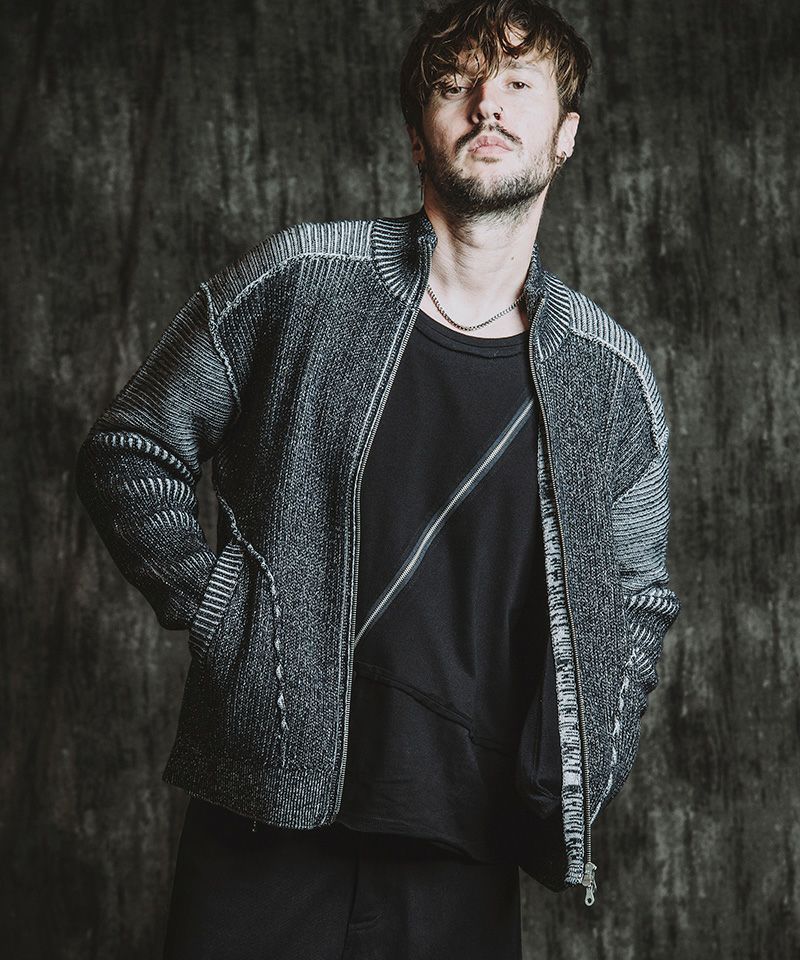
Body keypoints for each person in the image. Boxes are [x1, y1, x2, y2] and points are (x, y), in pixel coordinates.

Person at [74, 0, 681, 956]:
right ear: (416, 135)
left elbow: (637, 598)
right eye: (455, 84)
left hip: (466, 849)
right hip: (263, 824)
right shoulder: (304, 282)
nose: (486, 104)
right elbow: (131, 446)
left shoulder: (609, 376)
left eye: (517, 83)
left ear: (565, 134)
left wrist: (578, 763)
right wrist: (224, 609)